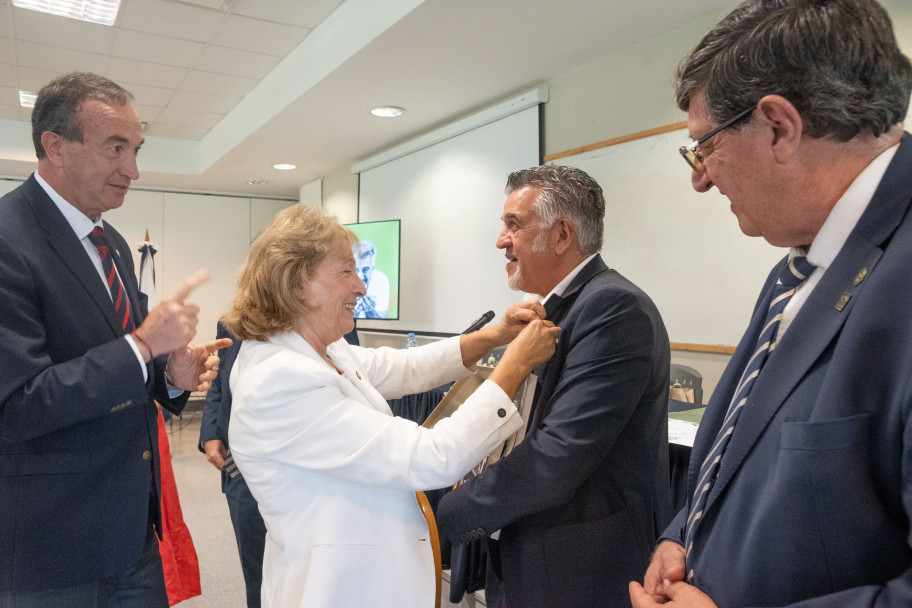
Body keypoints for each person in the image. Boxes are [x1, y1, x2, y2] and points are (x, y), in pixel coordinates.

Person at [629, 2, 912, 607]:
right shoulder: (796, 268)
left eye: (703, 146)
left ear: (779, 127)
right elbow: (744, 451)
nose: (700, 178)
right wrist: (683, 535)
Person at [222, 203, 561, 607]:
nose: (361, 287)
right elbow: (432, 456)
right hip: (339, 591)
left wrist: (496, 336)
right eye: (346, 272)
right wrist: (515, 365)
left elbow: (404, 367)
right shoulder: (281, 379)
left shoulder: (321, 351)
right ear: (297, 283)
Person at [0, 72, 230, 606]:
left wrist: (171, 376)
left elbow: (126, 366)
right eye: (115, 148)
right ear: (55, 146)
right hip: (49, 546)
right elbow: (17, 405)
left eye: (136, 149)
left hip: (131, 532)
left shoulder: (113, 243)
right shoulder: (8, 239)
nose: (133, 169)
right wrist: (143, 347)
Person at [436, 165, 673, 608]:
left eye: (514, 225)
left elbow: (556, 455)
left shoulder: (613, 307)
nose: (501, 241)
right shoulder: (554, 308)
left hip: (577, 568)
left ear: (562, 235)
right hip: (528, 551)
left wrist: (444, 514)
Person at [199, 321, 266, 608]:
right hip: (240, 471)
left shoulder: (326, 310)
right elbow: (219, 383)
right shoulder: (232, 323)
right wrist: (210, 433)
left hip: (302, 472)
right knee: (257, 573)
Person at [352, 239, 390, 318]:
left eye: (365, 270)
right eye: (356, 270)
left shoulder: (381, 280)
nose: (360, 276)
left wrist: (369, 311)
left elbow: (382, 321)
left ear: (372, 268)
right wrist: (353, 313)